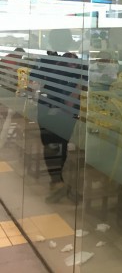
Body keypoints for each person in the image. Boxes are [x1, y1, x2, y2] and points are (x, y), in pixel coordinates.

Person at [33, 52, 83, 203]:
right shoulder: (59, 73)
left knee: (60, 146)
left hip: (59, 114)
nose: (73, 65)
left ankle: (58, 182)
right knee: (54, 147)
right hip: (53, 114)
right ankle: (57, 182)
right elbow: (68, 102)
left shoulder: (63, 72)